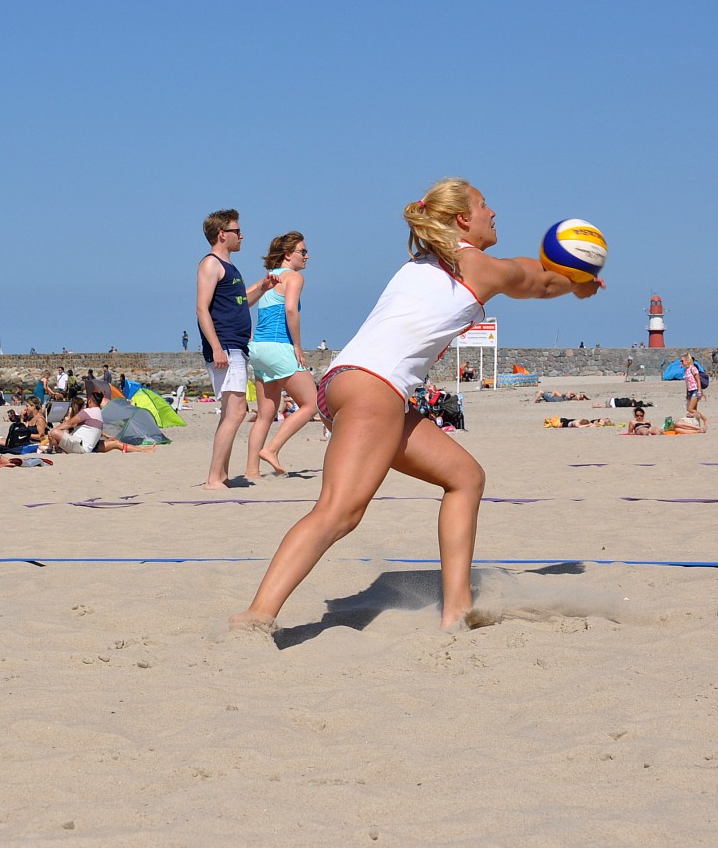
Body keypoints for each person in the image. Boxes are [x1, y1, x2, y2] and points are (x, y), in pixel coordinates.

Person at [230, 178, 602, 632]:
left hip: (347, 383)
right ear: (463, 218)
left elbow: (527, 273)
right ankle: (256, 617)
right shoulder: (476, 265)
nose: (493, 213)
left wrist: (566, 278)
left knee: (465, 477)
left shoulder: (423, 261)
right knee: (338, 512)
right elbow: (536, 282)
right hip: (374, 389)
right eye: (484, 205)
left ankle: (457, 609)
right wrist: (575, 283)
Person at [195, 209, 279, 489]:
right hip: (226, 346)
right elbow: (202, 309)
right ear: (222, 234)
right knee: (236, 411)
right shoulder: (211, 264)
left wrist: (263, 288)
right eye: (237, 231)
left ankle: (220, 475)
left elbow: (241, 302)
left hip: (236, 345)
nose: (241, 236)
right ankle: (213, 478)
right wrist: (217, 348)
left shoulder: (230, 267)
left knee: (233, 411)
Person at [245, 231, 319, 478]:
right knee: (312, 403)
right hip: (279, 346)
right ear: (288, 255)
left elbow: (241, 302)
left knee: (265, 414)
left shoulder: (267, 279)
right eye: (303, 251)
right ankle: (272, 449)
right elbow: (290, 310)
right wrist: (297, 345)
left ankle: (251, 472)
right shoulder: (294, 277)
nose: (307, 256)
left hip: (258, 349)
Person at [681, 354, 708, 429]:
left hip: (695, 390)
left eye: (682, 361)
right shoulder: (686, 370)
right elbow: (687, 383)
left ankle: (705, 419)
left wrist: (699, 391)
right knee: (694, 410)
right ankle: (697, 425)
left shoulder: (693, 368)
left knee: (690, 409)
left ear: (687, 360)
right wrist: (687, 394)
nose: (681, 362)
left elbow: (698, 380)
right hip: (690, 391)